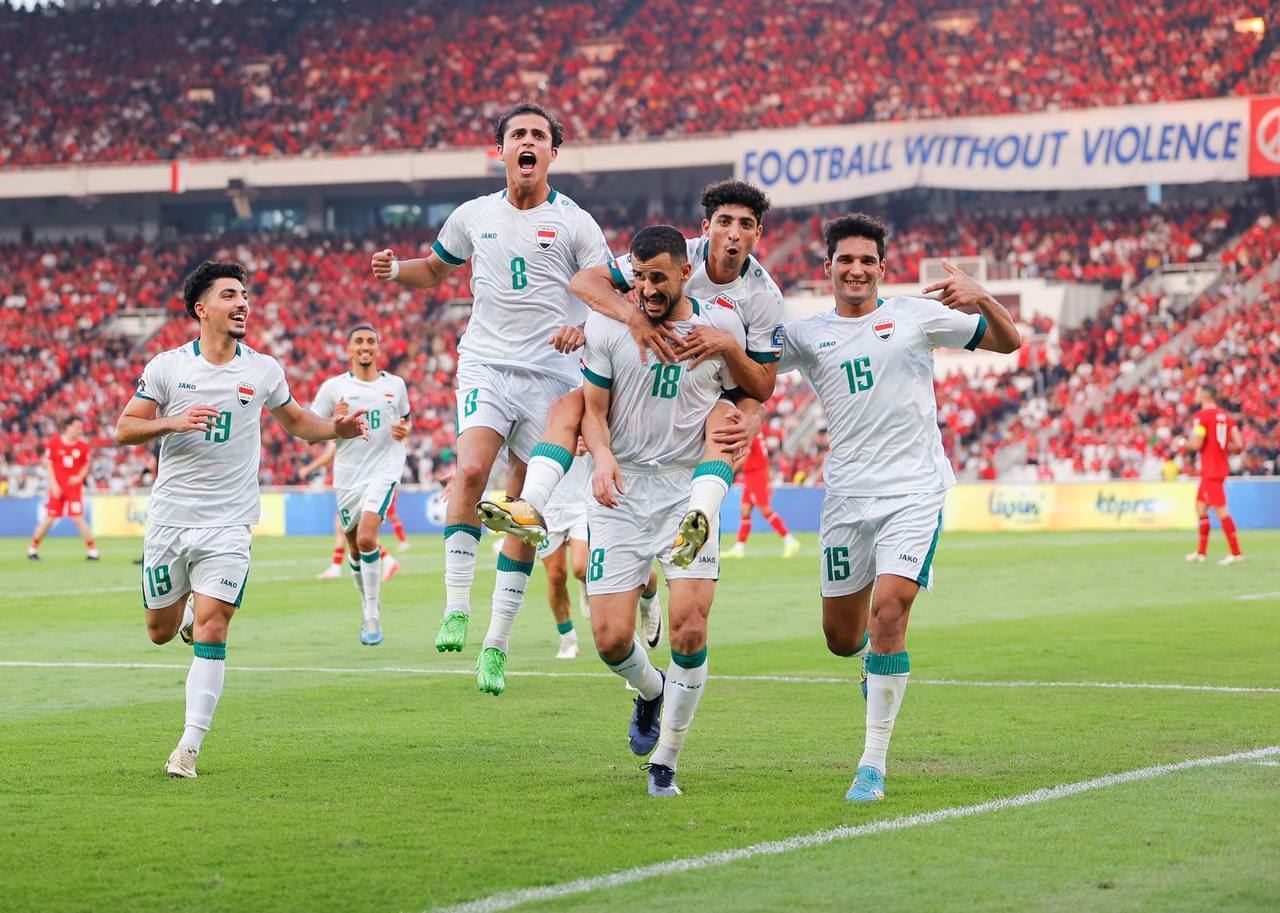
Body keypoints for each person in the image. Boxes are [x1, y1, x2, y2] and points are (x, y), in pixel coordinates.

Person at [371, 102, 662, 696]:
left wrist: (582, 326)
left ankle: (496, 643)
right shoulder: (474, 215)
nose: (527, 142)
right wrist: (397, 270)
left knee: (523, 509)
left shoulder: (576, 222)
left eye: (538, 135)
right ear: (500, 149)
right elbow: (435, 269)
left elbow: (605, 286)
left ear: (553, 152)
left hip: (551, 375)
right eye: (517, 134)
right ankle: (457, 606)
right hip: (485, 362)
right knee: (470, 469)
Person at [778, 214, 1020, 802]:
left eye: (868, 260)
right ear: (828, 267)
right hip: (846, 498)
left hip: (914, 491)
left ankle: (872, 764)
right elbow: (747, 367)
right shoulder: (807, 335)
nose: (856, 269)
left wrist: (983, 297)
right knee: (842, 638)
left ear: (883, 268)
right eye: (846, 260)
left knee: (889, 611)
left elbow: (1008, 342)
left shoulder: (915, 315)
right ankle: (868, 664)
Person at [115, 260, 368, 779]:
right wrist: (173, 421)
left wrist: (336, 430)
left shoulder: (263, 369)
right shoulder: (167, 367)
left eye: (245, 296)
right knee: (160, 632)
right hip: (170, 521)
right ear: (201, 308)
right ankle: (185, 613)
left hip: (230, 522)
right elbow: (124, 428)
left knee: (216, 625)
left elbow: (298, 422)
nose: (242, 304)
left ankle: (188, 747)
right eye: (230, 295)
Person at [481, 180, 783, 574]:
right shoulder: (672, 255)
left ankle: (699, 518)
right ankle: (531, 505)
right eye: (724, 221)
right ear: (706, 227)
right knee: (568, 406)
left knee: (729, 420)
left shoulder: (764, 297)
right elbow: (584, 282)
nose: (733, 233)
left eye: (745, 224)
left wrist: (729, 349)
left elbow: (761, 385)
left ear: (758, 233)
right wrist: (629, 317)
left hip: (698, 391)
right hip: (638, 372)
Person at [580, 225, 745, 798]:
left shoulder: (719, 328)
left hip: (685, 490)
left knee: (690, 628)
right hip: (621, 489)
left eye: (658, 277)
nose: (647, 288)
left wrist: (732, 366)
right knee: (609, 639)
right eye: (639, 276)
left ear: (684, 273)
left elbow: (748, 394)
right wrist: (602, 457)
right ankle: (651, 691)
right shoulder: (607, 326)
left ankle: (666, 761)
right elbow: (593, 411)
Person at [309, 324, 411, 644]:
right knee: (354, 548)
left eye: (371, 341)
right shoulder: (333, 388)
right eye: (359, 342)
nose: (365, 346)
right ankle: (367, 605)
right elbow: (310, 434)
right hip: (348, 476)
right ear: (349, 350)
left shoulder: (396, 385)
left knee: (367, 539)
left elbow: (406, 419)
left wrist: (405, 430)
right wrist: (332, 421)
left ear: (378, 349)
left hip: (385, 470)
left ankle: (371, 614)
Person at [535, 443, 663, 659]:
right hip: (547, 504)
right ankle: (568, 639)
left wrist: (590, 443)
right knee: (555, 576)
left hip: (582, 499)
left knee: (582, 567)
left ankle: (649, 596)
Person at [1184, 385, 1244, 565]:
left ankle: (1236, 553)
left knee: (1221, 510)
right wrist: (1221, 448)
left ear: (1205, 396)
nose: (1195, 395)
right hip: (1218, 468)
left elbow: (1196, 444)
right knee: (1200, 507)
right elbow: (1239, 445)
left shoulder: (1201, 417)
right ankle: (1201, 553)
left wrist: (1182, 443)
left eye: (1197, 392)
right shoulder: (1227, 417)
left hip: (1211, 470)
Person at [28, 415, 99, 561]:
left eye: (81, 428)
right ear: (68, 427)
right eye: (77, 427)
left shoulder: (83, 446)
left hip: (74, 489)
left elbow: (87, 465)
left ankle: (93, 551)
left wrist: (79, 477)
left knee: (78, 519)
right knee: (49, 519)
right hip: (57, 489)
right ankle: (32, 549)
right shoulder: (55, 442)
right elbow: (49, 464)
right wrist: (54, 484)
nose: (80, 430)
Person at [725, 434, 799, 559]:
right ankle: (739, 548)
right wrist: (768, 481)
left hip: (756, 476)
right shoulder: (757, 436)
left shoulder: (751, 436)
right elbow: (765, 459)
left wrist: (729, 471)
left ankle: (789, 540)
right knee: (745, 510)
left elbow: (744, 456)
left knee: (765, 510)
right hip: (751, 475)